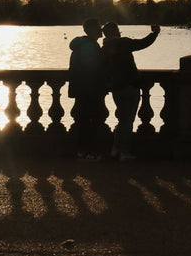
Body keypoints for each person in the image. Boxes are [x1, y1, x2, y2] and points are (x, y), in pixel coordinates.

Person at [101, 22, 161, 160]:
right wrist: (155, 33)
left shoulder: (104, 48)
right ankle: (124, 151)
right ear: (116, 31)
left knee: (122, 120)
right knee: (128, 121)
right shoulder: (123, 43)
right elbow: (143, 43)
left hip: (116, 88)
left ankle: (115, 149)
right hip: (130, 86)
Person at [68, 18, 109, 161]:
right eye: (99, 27)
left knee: (83, 120)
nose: (101, 29)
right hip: (90, 89)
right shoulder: (89, 46)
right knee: (92, 120)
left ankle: (82, 151)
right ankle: (90, 152)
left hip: (81, 89)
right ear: (91, 30)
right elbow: (92, 68)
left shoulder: (82, 44)